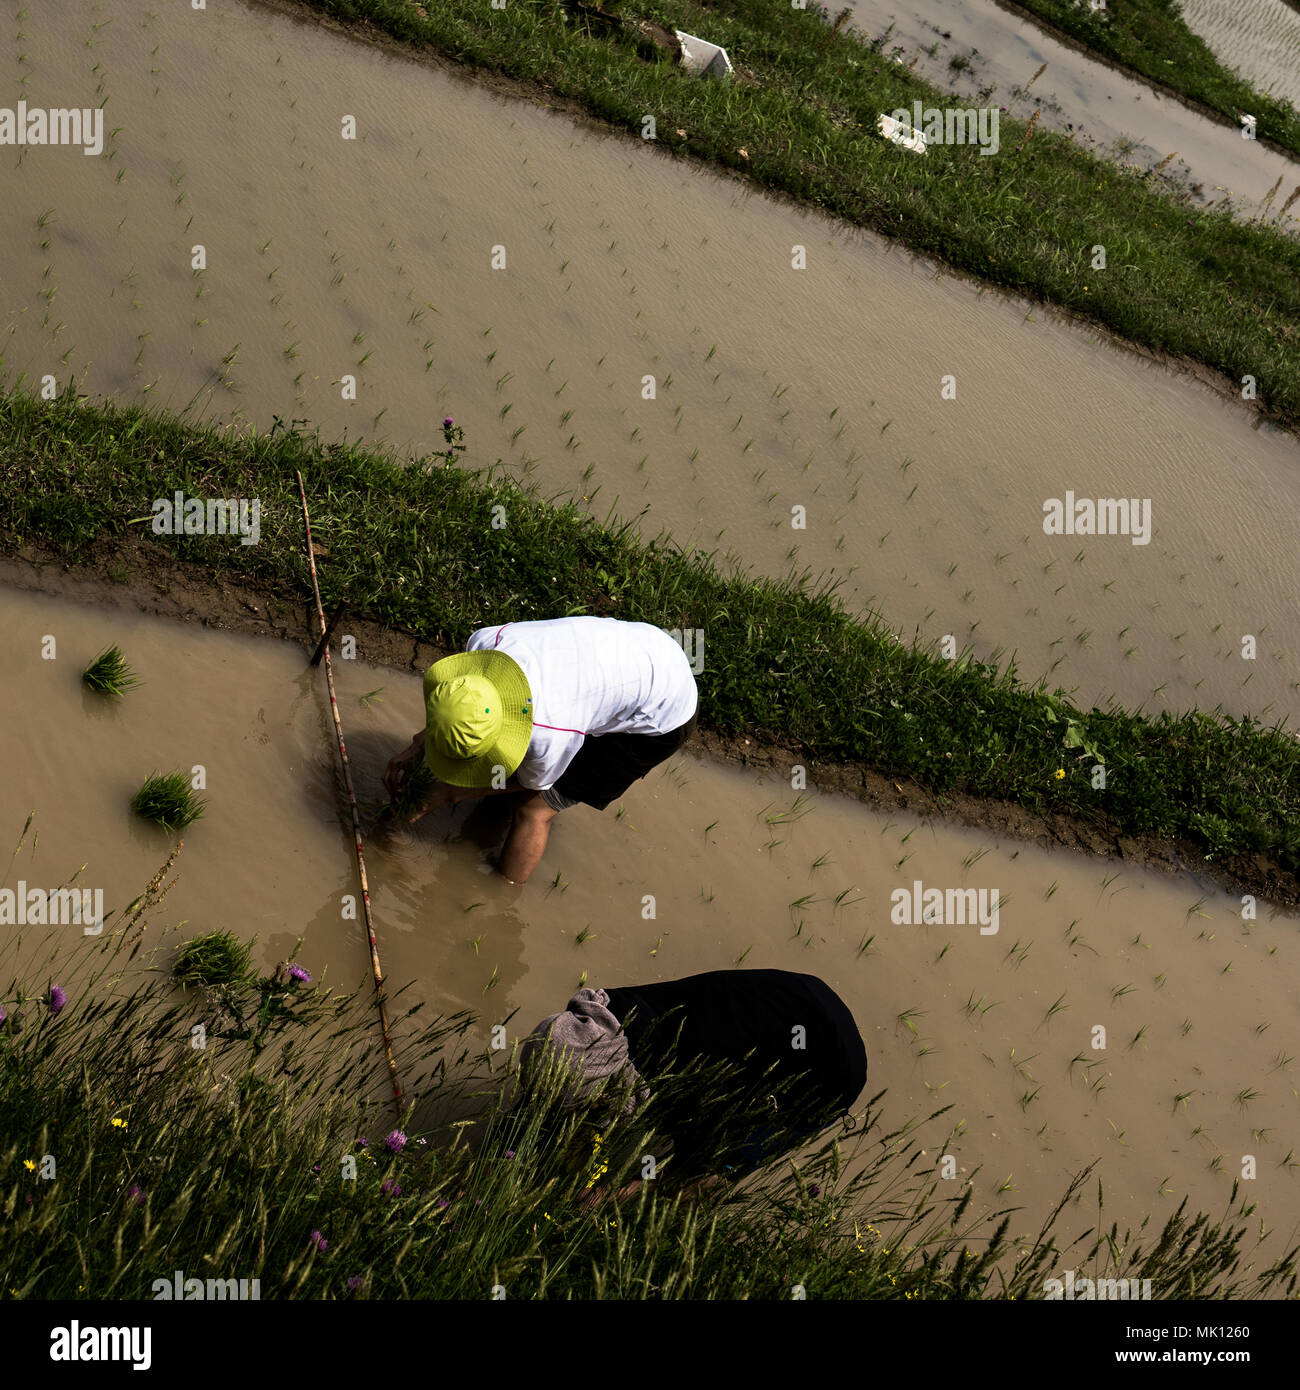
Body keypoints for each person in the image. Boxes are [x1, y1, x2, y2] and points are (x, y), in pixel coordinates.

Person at [383, 617, 698, 884]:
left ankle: (501, 896)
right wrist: (420, 743)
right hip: (644, 647)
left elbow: (536, 782)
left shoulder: (549, 731)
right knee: (511, 773)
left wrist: (452, 792)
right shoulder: (485, 644)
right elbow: (459, 705)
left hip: (663, 714)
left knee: (533, 809)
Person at [519, 969, 867, 1197]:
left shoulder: (674, 1073)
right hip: (788, 1009)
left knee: (707, 1168)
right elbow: (557, 1101)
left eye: (591, 1103)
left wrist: (615, 1195)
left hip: (830, 1073)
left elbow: (711, 1175)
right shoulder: (601, 1014)